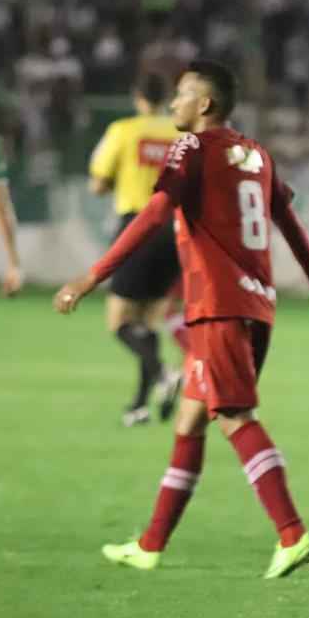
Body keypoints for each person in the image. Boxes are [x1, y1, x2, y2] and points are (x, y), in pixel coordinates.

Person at [55, 59, 309, 578]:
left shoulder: (191, 146)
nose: (174, 103)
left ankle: (292, 533)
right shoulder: (256, 154)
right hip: (256, 305)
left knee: (234, 416)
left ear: (205, 104)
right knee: (190, 420)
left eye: (183, 94)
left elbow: (154, 213)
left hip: (218, 307)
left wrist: (92, 276)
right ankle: (150, 545)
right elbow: (289, 220)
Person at [88, 74, 183, 426]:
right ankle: (140, 407)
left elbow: (99, 183)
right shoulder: (181, 134)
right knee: (148, 323)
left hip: (138, 225)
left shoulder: (124, 131)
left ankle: (164, 374)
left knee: (120, 322)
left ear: (138, 97)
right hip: (174, 230)